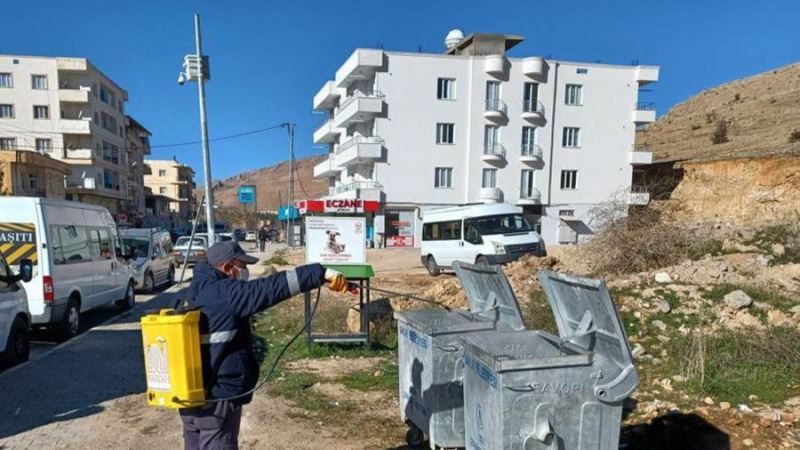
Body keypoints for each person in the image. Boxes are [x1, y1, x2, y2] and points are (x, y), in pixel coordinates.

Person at [179, 240, 348, 450]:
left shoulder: (190, 293)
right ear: (226, 267)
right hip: (218, 397)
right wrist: (320, 274)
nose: (246, 271)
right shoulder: (226, 293)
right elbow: (271, 288)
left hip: (189, 396)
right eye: (243, 266)